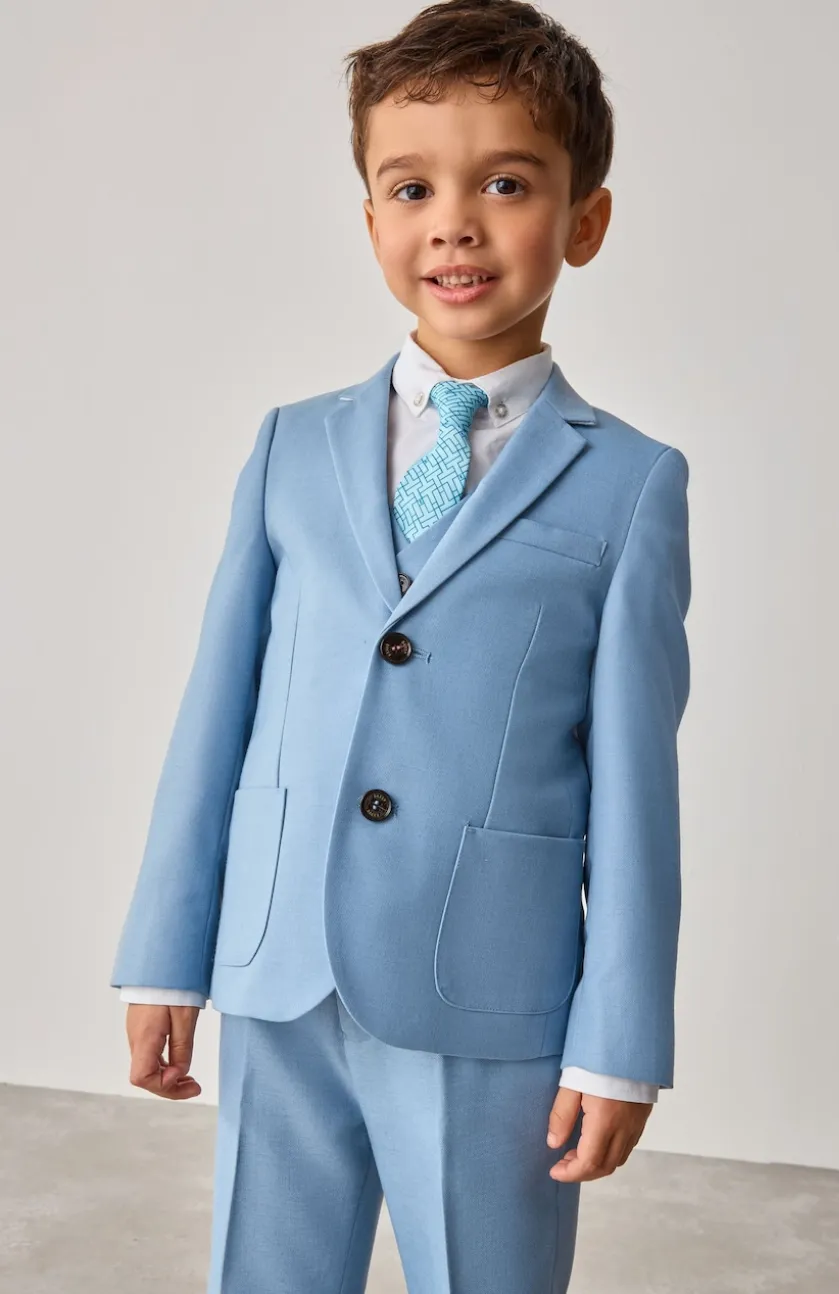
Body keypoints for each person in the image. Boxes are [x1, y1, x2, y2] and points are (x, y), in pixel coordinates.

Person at [110, 1, 692, 1289]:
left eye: (507, 184)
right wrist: (166, 952)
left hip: (488, 990)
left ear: (586, 220)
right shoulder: (291, 445)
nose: (455, 225)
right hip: (278, 969)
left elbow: (635, 789)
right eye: (413, 187)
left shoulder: (631, 484)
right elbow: (217, 715)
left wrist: (619, 1042)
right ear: (371, 216)